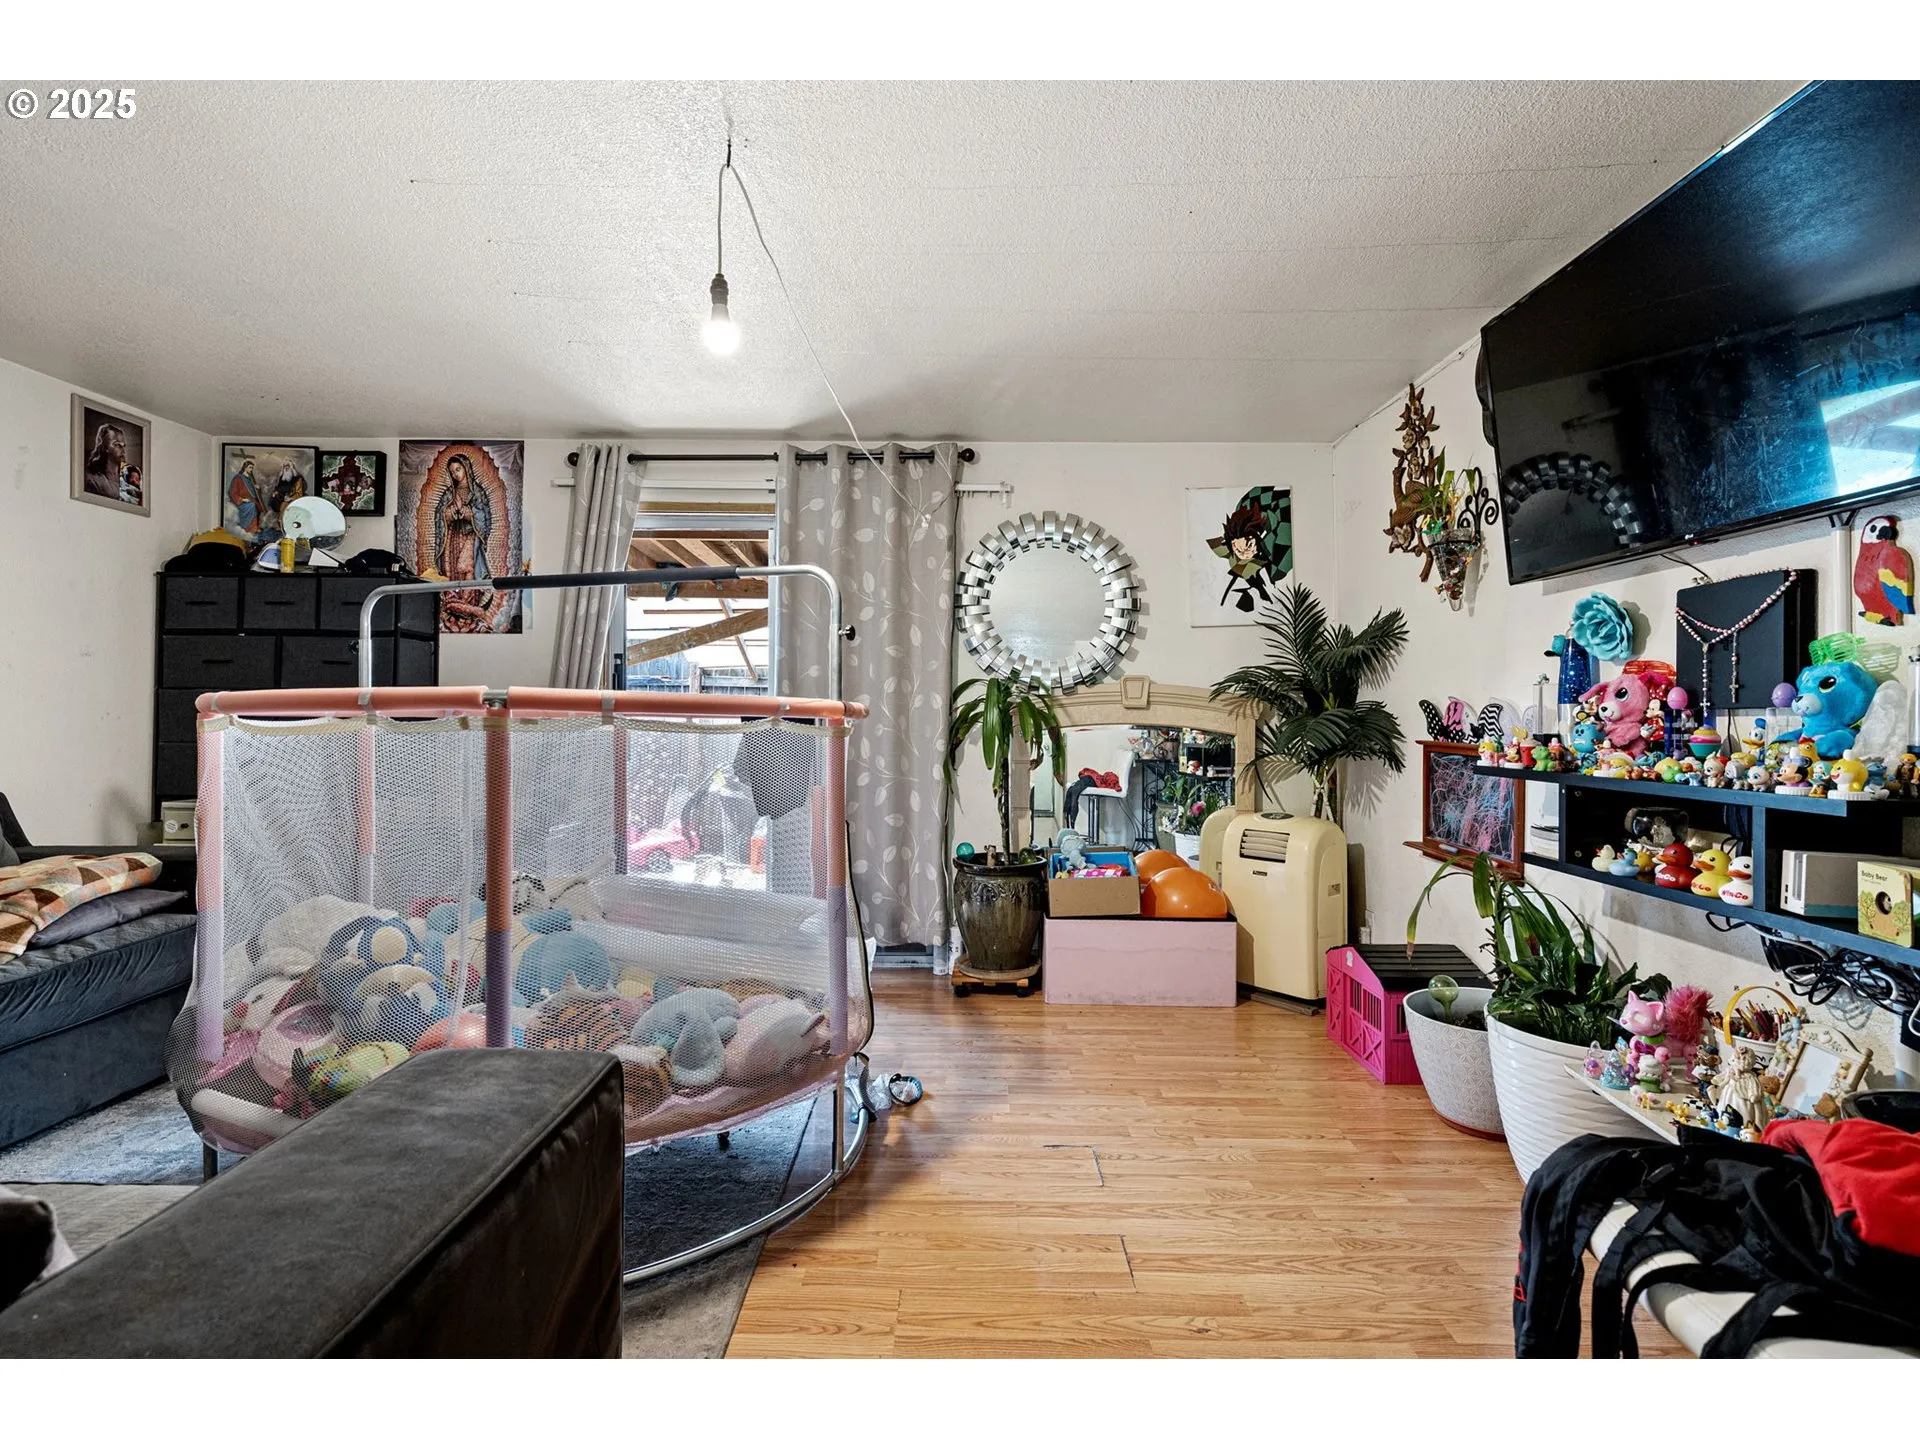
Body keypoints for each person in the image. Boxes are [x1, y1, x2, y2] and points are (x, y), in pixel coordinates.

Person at [83, 422, 127, 498]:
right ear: (106, 447)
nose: (123, 451)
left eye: (123, 446)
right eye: (117, 445)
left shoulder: (130, 478)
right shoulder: (94, 479)